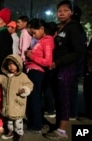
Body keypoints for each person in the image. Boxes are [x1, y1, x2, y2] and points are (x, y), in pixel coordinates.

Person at [44, 1, 84, 140]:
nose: (61, 13)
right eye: (59, 10)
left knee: (64, 99)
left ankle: (62, 131)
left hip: (66, 69)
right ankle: (57, 126)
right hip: (56, 68)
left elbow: (78, 51)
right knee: (59, 99)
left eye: (65, 10)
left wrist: (58, 62)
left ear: (71, 12)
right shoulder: (60, 27)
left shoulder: (74, 28)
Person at [0, 54, 33, 141]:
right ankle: (10, 132)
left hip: (18, 103)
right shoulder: (5, 77)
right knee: (9, 120)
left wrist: (25, 89)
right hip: (8, 104)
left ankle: (19, 134)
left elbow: (29, 84)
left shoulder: (22, 76)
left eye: (13, 64)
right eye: (8, 64)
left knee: (18, 121)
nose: (10, 66)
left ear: (18, 65)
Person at [24, 18, 55, 134]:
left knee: (35, 99)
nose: (33, 36)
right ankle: (34, 123)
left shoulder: (47, 40)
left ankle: (36, 126)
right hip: (33, 71)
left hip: (37, 72)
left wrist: (31, 56)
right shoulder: (42, 40)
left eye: (34, 32)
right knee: (33, 99)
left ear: (42, 28)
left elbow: (48, 61)